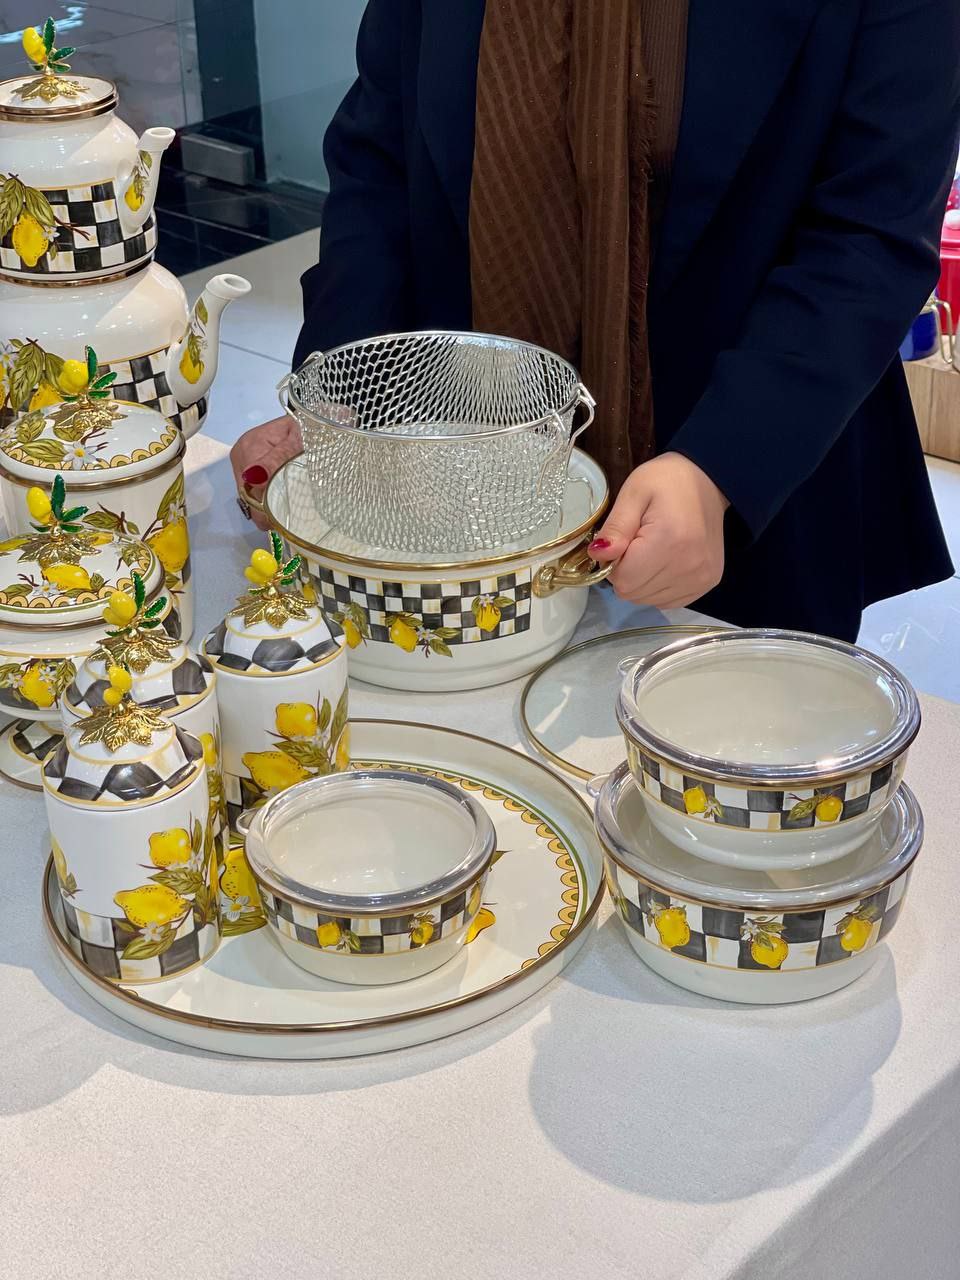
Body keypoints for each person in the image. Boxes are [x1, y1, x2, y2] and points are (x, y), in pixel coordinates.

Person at [232, 0, 960, 642]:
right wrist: (339, 391)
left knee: (708, 747)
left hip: (744, 494)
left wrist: (721, 465)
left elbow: (869, 235)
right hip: (456, 483)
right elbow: (379, 160)